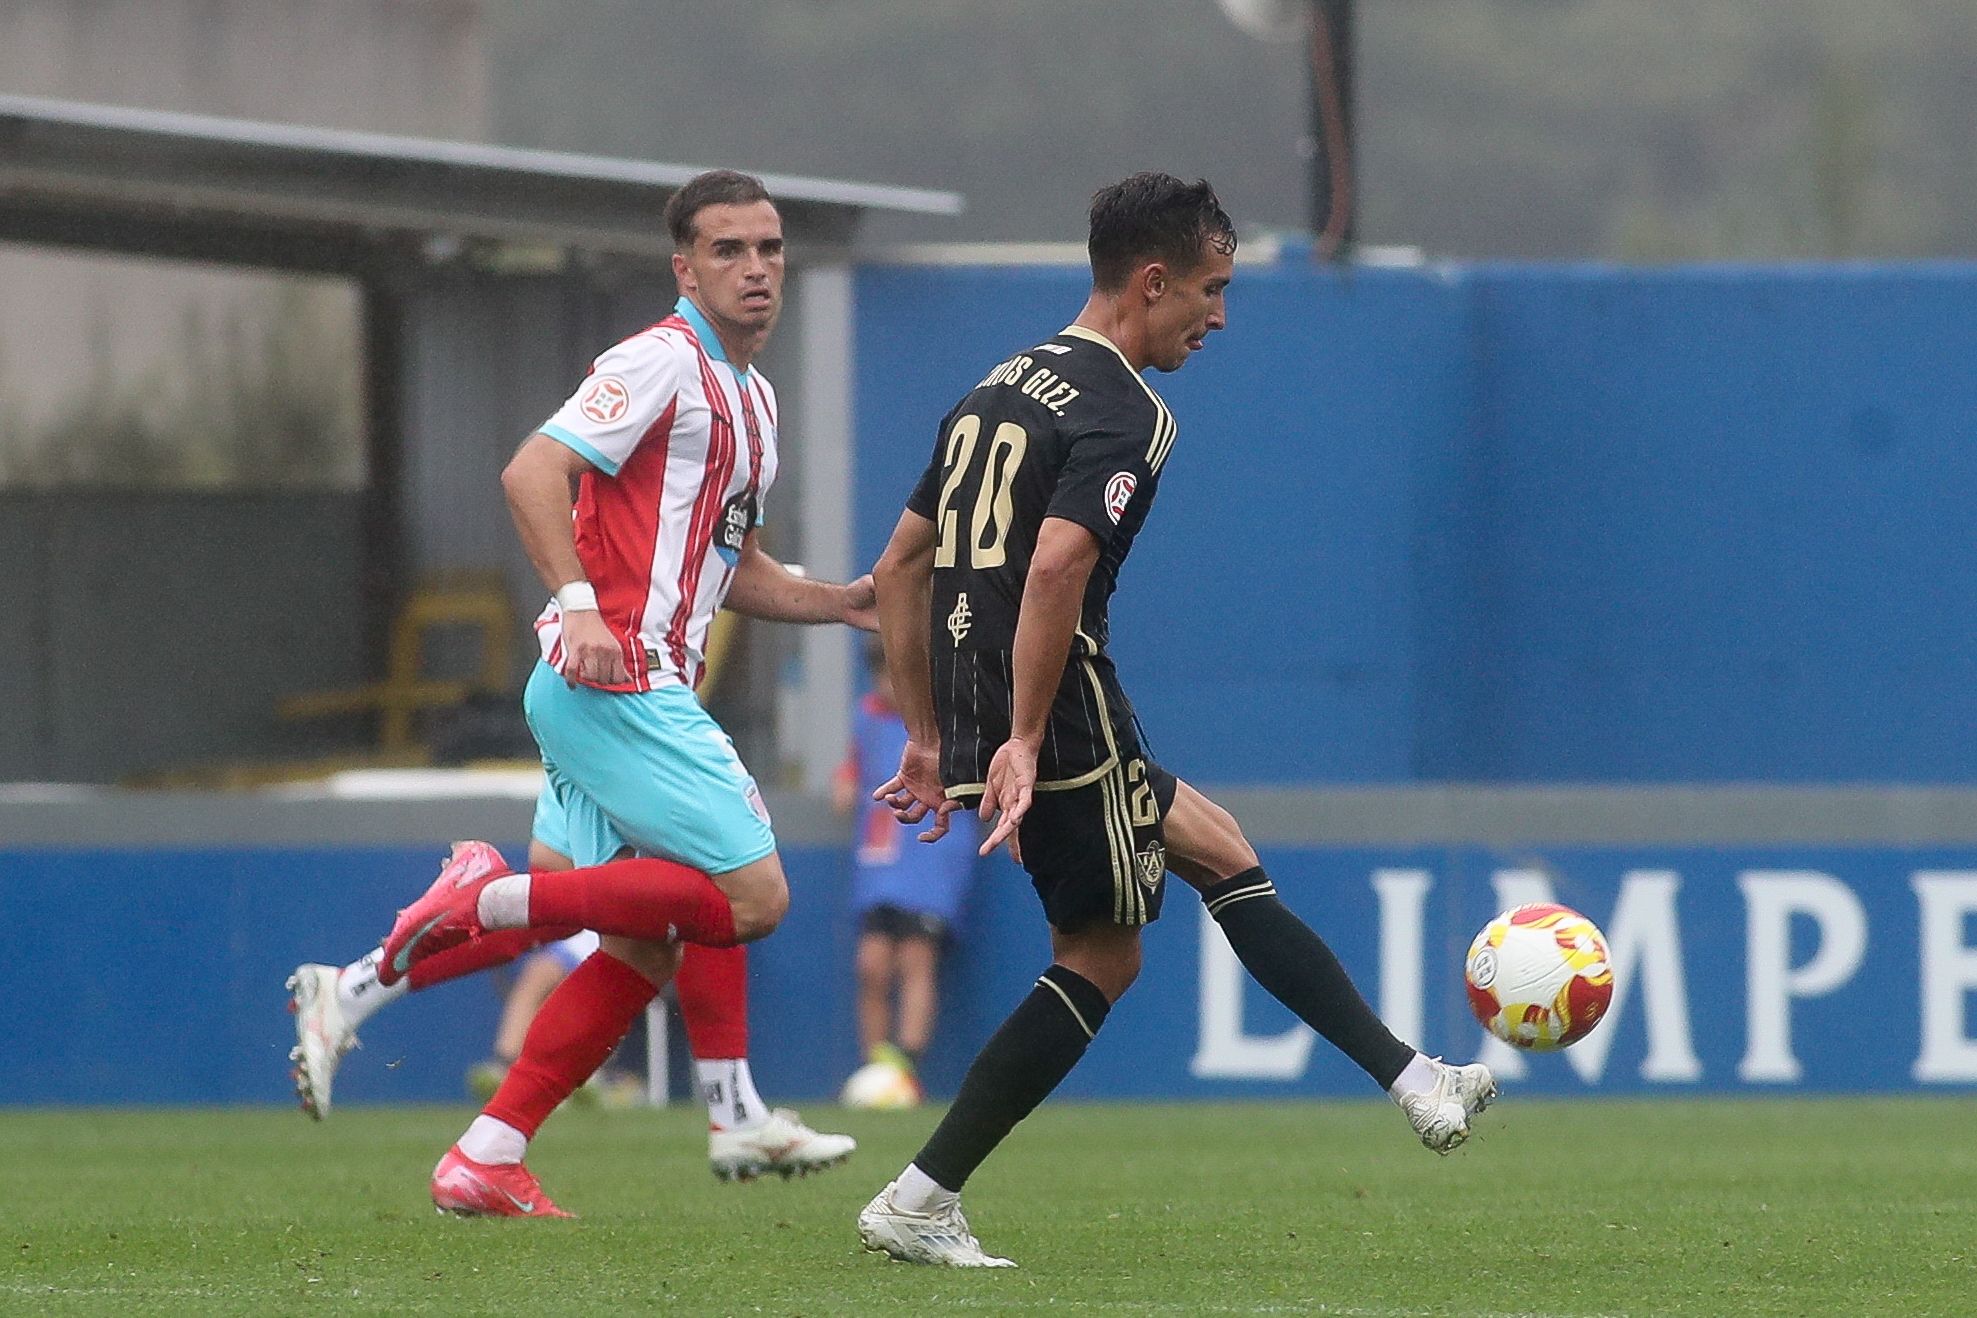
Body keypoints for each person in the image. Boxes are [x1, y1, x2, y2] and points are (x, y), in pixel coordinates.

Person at [854, 173, 1499, 1268]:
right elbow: (1058, 563)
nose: (1221, 317)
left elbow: (898, 566)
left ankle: (1412, 1077)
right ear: (1150, 283)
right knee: (1103, 959)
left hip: (992, 719)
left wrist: (928, 734)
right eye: (1211, 288)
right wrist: (1018, 731)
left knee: (1218, 850)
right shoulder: (1126, 409)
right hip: (1055, 716)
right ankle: (920, 1193)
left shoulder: (990, 391)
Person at [365, 168, 878, 1218]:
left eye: (770, 249)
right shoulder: (657, 361)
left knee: (645, 942)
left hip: (636, 686)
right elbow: (528, 472)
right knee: (756, 898)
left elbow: (730, 566)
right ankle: (487, 903)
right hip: (615, 681)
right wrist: (580, 602)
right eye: (730, 251)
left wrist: (843, 601)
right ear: (685, 268)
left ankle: (486, 1156)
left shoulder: (757, 399)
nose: (757, 269)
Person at [287, 786, 856, 1183]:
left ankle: (359, 989)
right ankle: (733, 1114)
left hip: (611, 692)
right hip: (629, 694)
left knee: (592, 904)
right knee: (723, 875)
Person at [833, 637, 980, 1101]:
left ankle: (906, 1066)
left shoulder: (949, 724)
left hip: (932, 860)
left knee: (917, 959)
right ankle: (877, 1066)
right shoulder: (868, 718)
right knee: (871, 964)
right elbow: (850, 777)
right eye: (881, 674)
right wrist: (847, 784)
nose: (887, 685)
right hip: (881, 862)